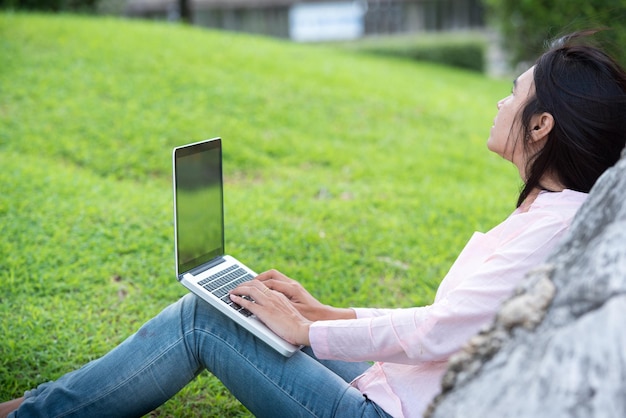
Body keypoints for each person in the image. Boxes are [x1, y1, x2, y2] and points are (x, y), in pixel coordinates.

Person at [2, 30, 626, 418]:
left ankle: (34, 414)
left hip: (394, 411)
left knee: (203, 319)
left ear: (542, 125)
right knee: (241, 309)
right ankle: (43, 404)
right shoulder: (555, 214)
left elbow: (437, 335)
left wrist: (308, 334)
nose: (501, 102)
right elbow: (449, 329)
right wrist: (323, 314)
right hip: (408, 388)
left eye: (514, 94)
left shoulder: (550, 230)